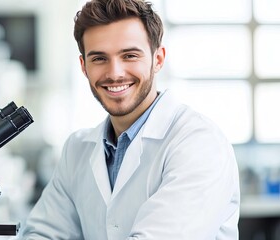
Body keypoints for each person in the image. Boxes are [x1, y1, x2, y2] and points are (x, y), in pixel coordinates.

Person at [21, 0, 240, 239]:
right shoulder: (77, 150)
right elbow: (44, 234)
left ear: (158, 59)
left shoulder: (198, 144)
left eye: (129, 55)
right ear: (84, 67)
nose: (115, 73)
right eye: (99, 59)